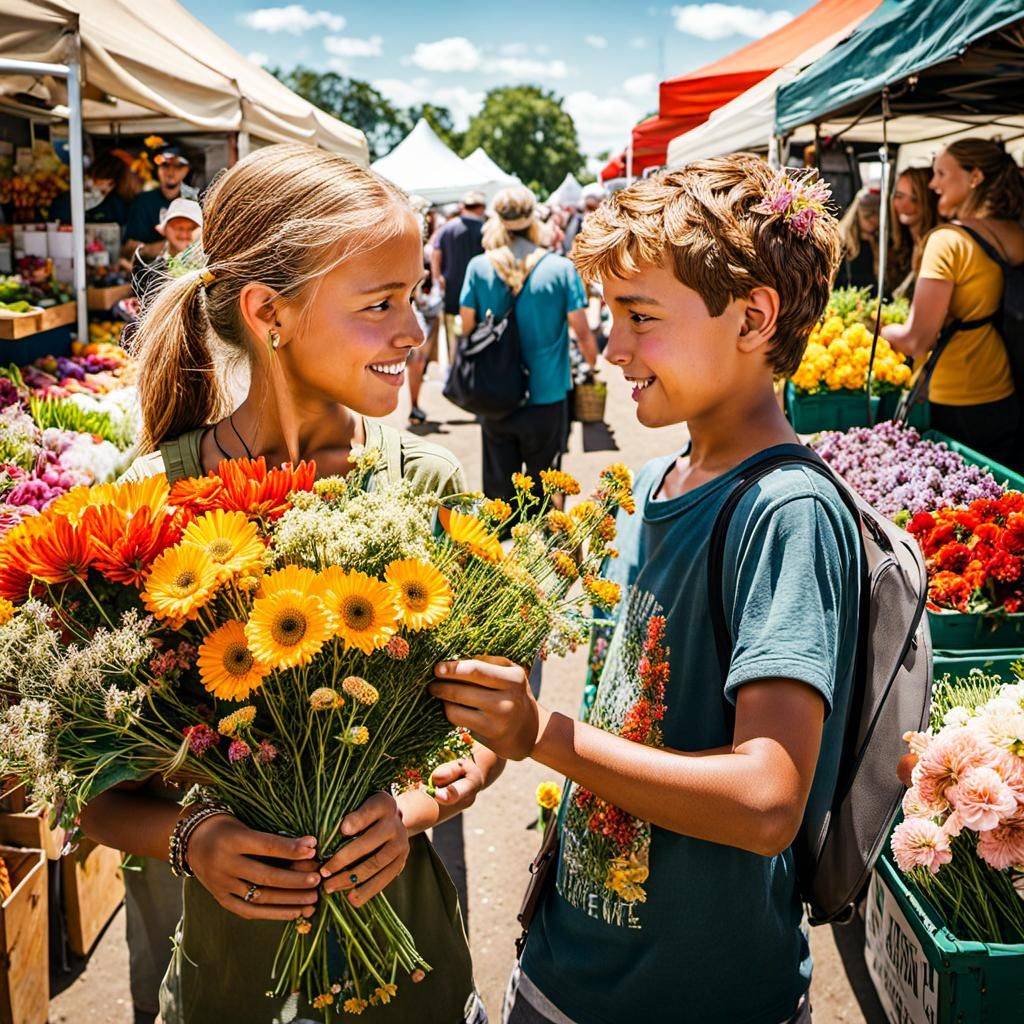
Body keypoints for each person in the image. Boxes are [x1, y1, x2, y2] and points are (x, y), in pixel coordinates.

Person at [431, 156, 860, 1024]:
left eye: (640, 317)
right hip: (568, 969)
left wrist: (539, 735)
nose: (614, 346)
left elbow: (768, 799)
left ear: (754, 318)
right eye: (613, 315)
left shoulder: (787, 510)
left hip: (698, 996)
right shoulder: (660, 478)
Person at [79, 143, 501, 1024]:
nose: (415, 331)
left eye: (415, 295)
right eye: (380, 303)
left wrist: (418, 803)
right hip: (227, 981)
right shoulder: (146, 502)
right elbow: (96, 793)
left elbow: (490, 720)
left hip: (409, 963)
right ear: (269, 313)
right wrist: (193, 836)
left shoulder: (425, 482)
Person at [882, 139, 1024, 468]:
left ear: (975, 177)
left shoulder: (947, 241)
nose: (933, 184)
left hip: (954, 399)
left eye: (941, 174)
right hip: (1004, 389)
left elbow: (917, 340)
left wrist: (883, 330)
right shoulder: (1016, 233)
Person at [459, 186, 598, 503]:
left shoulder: (479, 267)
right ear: (533, 219)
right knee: (548, 489)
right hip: (547, 394)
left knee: (499, 496)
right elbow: (583, 332)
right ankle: (547, 549)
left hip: (496, 392)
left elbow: (466, 328)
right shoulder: (561, 268)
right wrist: (592, 365)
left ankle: (502, 550)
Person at [432, 191, 486, 360]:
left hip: (451, 290)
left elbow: (435, 253)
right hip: (478, 295)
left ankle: (453, 369)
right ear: (481, 208)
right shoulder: (485, 229)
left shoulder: (447, 228)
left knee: (452, 338)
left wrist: (438, 277)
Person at [122, 145, 198, 261]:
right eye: (165, 165)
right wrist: (167, 246)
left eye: (179, 166)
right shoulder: (143, 202)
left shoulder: (196, 201)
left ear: (187, 169)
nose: (171, 171)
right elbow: (129, 249)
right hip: (151, 271)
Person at [131, 197, 204, 305]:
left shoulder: (206, 266)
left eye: (191, 228)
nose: (184, 234)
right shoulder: (148, 265)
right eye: (178, 227)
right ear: (165, 229)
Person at [890, 166, 941, 296]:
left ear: (928, 201)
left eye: (914, 199)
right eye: (899, 196)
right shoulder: (899, 244)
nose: (904, 205)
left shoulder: (936, 246)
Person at [51, 151, 129, 229]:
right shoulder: (64, 203)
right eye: (90, 190)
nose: (96, 196)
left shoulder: (116, 206)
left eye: (103, 192)